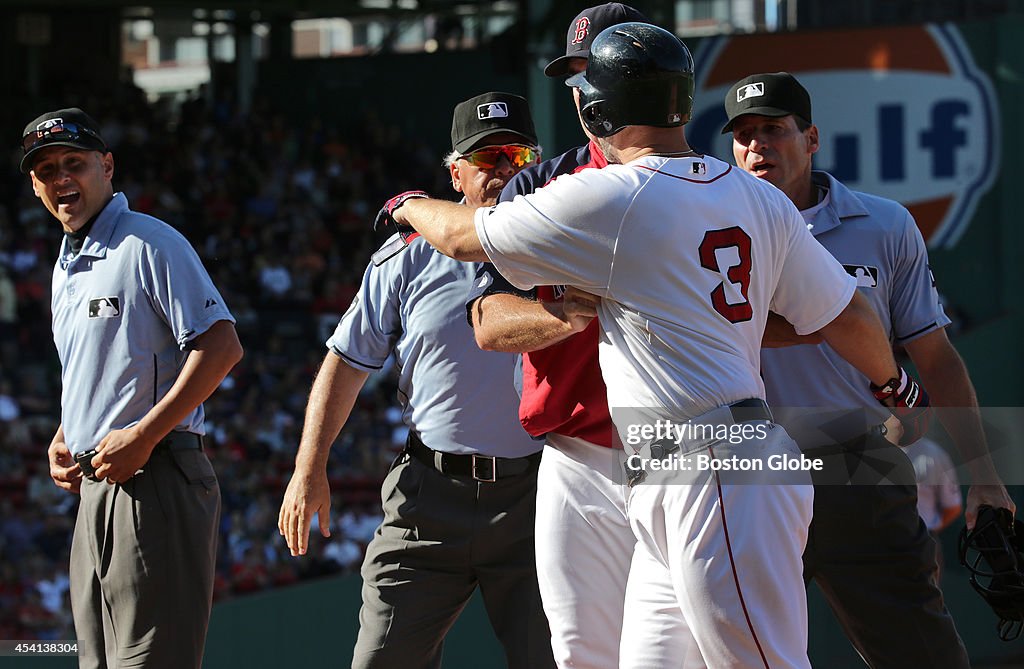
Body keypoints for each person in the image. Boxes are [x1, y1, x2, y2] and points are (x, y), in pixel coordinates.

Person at [387, 23, 926, 668]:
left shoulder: (611, 195)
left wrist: (409, 204)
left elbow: (464, 235)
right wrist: (895, 383)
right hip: (686, 468)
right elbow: (848, 314)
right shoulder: (753, 195)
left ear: (599, 109)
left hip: (714, 465)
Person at [723, 71, 1015, 668]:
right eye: (744, 134)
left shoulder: (883, 224)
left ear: (812, 138)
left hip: (858, 460)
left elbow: (936, 357)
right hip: (747, 463)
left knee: (923, 655)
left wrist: (984, 474)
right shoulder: (711, 229)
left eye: (774, 130)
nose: (758, 146)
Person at [277, 92, 555, 669]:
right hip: (431, 495)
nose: (504, 169)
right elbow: (345, 362)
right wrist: (309, 468)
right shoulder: (405, 257)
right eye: (486, 159)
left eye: (516, 154)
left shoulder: (568, 247)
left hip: (539, 495)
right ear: (455, 172)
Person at [23, 107, 242, 668]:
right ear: (35, 186)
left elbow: (220, 347)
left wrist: (144, 435)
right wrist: (67, 430)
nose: (62, 178)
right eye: (47, 170)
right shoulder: (65, 266)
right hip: (98, 483)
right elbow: (102, 366)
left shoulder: (148, 242)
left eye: (75, 162)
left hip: (157, 477)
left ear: (107, 166)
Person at [466, 4, 647, 668]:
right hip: (576, 458)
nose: (585, 91)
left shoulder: (706, 183)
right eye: (577, 75)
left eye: (597, 70)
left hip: (681, 451)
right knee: (579, 654)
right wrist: (573, 314)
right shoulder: (542, 184)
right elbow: (489, 322)